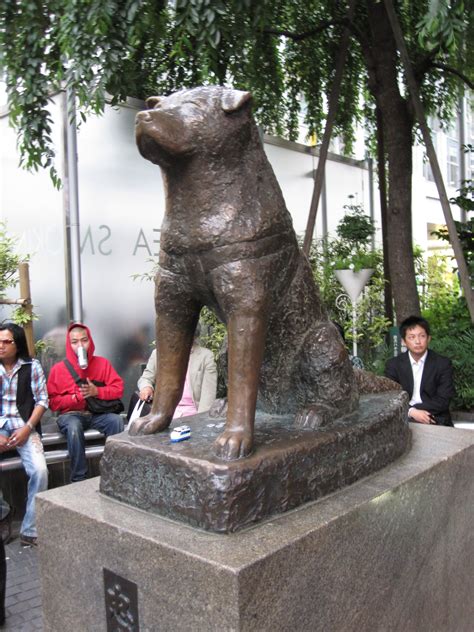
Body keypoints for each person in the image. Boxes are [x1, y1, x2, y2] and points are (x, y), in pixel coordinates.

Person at [47, 323, 124, 482]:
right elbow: (52, 403)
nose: (80, 345)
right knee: (74, 427)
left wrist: (97, 392)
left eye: (84, 340)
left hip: (96, 414)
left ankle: (116, 472)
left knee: (116, 420)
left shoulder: (102, 363)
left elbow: (118, 389)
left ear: (90, 341)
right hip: (70, 416)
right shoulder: (58, 369)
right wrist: (73, 398)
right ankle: (78, 478)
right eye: (74, 342)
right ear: (69, 345)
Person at [0, 323, 48, 547]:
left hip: (25, 426)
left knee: (40, 470)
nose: (1, 346)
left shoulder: (32, 366)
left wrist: (28, 428)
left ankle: (30, 529)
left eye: (6, 341)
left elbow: (42, 401)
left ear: (17, 344)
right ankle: (3, 514)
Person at [385, 315, 455, 426]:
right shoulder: (393, 365)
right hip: (404, 417)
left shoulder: (442, 364)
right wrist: (411, 412)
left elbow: (444, 399)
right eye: (412, 337)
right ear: (403, 341)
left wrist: (415, 411)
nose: (417, 341)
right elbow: (390, 397)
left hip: (435, 416)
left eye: (422, 336)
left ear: (428, 338)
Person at [137, 328, 217, 417]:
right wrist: (146, 387)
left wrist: (200, 420)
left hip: (192, 413)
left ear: (193, 336)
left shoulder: (206, 356)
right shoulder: (158, 353)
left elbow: (208, 396)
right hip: (162, 412)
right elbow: (146, 377)